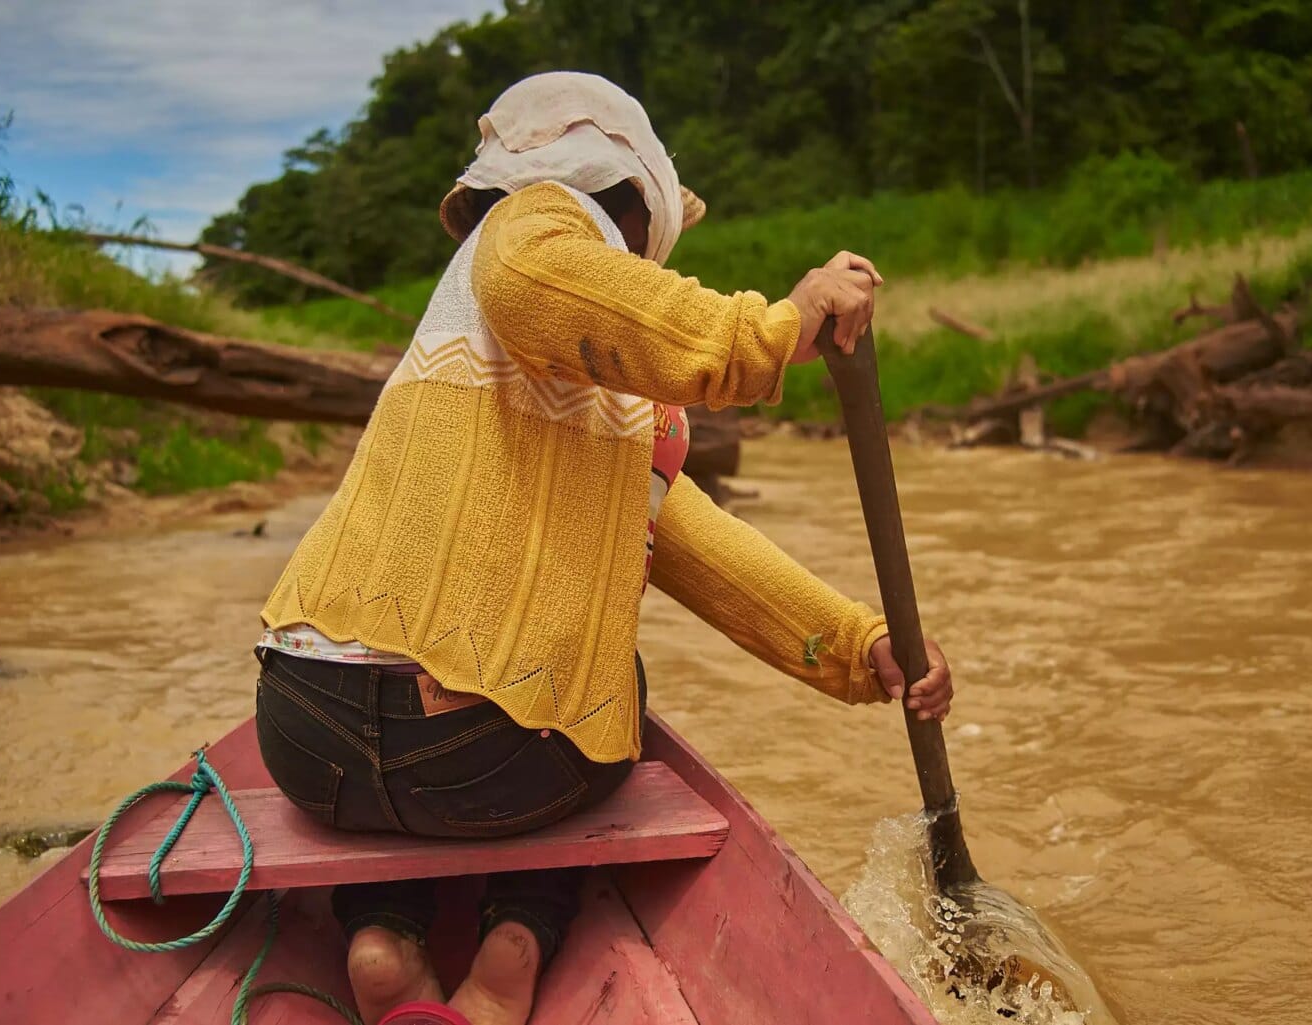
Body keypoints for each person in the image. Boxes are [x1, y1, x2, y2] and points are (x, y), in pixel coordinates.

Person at [253, 71, 953, 1025]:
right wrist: (776, 329)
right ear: (625, 196)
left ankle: (381, 926)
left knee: (406, 767)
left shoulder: (501, 346)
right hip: (473, 757)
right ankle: (518, 940)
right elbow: (573, 288)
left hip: (300, 727)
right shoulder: (535, 230)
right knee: (606, 693)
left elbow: (704, 549)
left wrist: (861, 643)